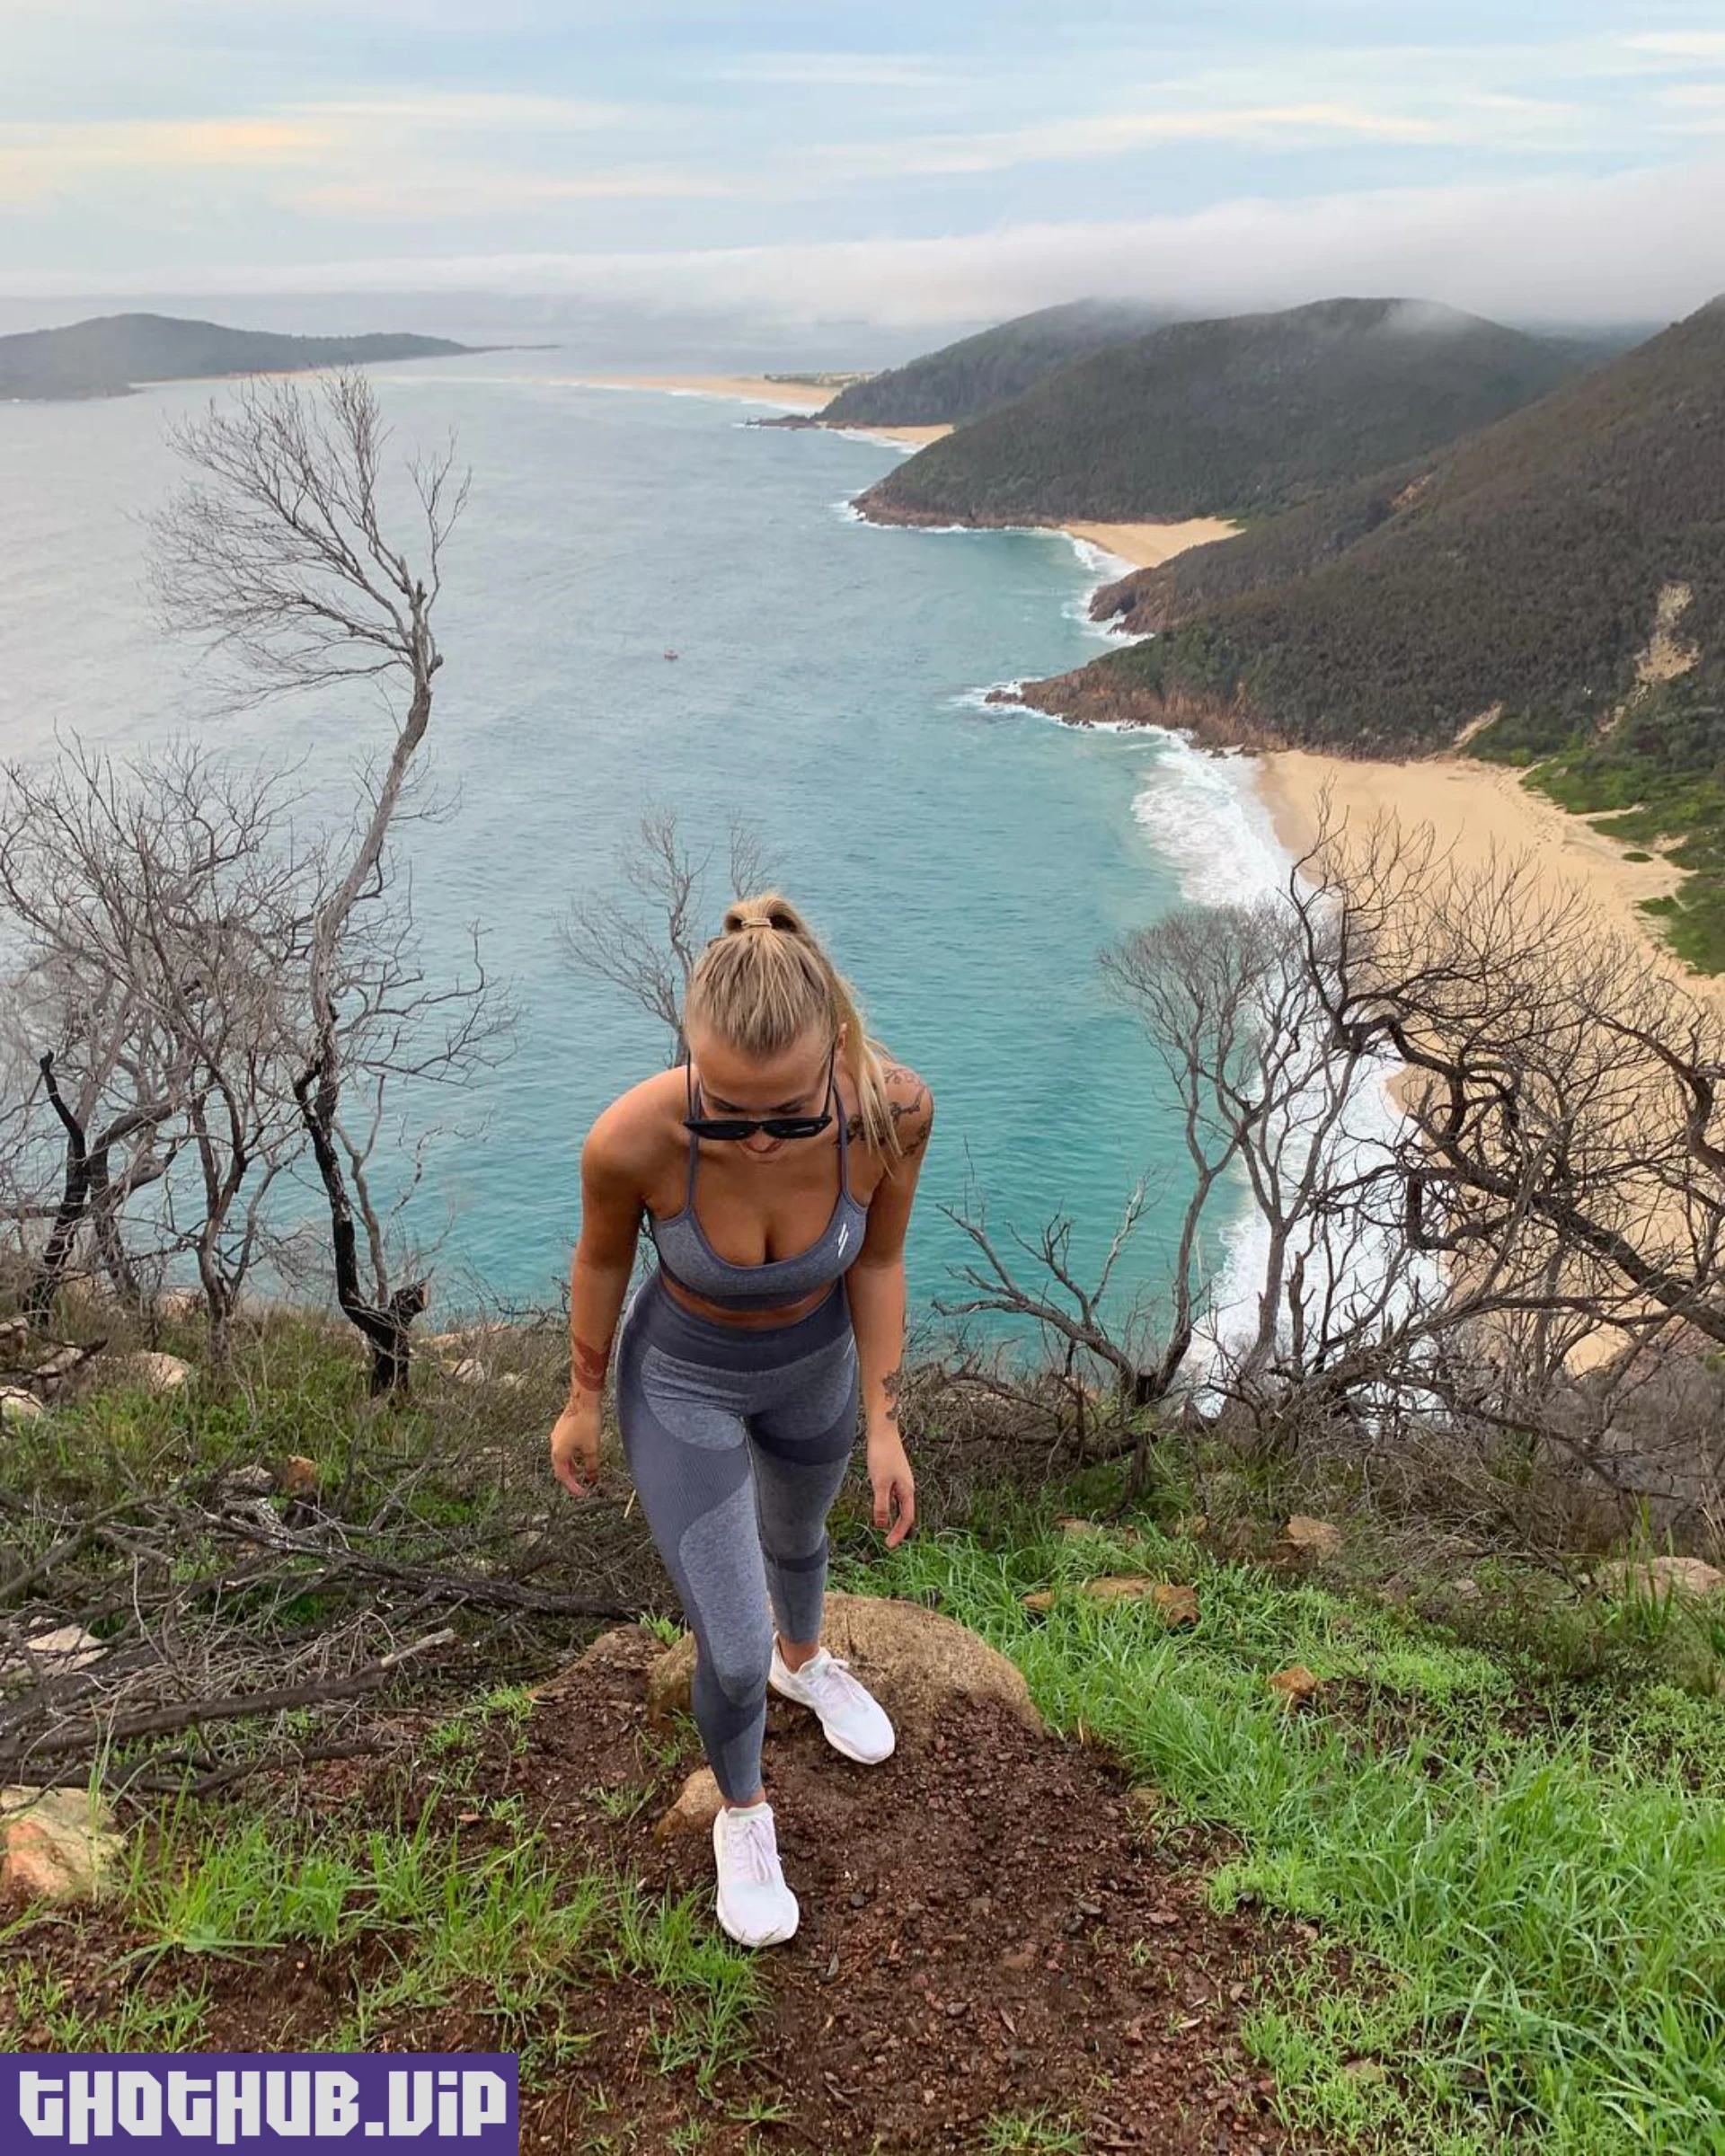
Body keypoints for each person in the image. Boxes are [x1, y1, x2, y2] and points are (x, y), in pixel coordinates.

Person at [550, 893, 933, 1948]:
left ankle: (802, 1661)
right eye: (725, 1109)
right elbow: (601, 1261)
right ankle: (744, 1810)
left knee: (799, 1536)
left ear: (838, 1048)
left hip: (813, 1368)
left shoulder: (892, 1112)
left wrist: (887, 1423)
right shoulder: (633, 1138)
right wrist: (581, 1401)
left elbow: (881, 1263)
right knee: (725, 1649)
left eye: (789, 1114)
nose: (758, 1139)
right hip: (686, 1382)